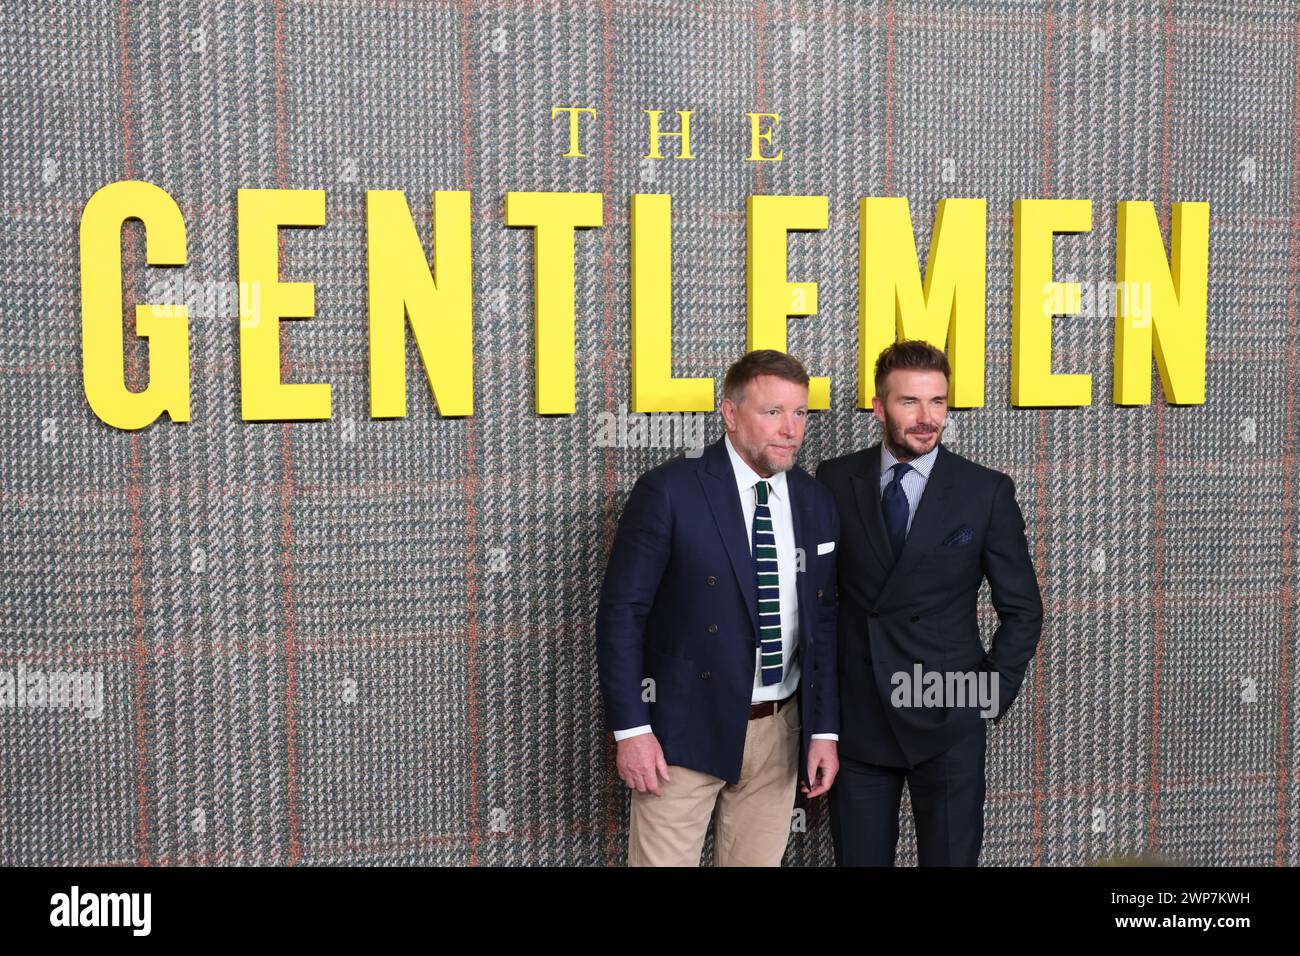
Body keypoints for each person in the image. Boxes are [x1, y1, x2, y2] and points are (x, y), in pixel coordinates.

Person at [596, 349, 840, 866]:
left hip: (780, 731)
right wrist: (632, 731)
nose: (790, 429)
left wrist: (823, 730)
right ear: (730, 415)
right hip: (682, 731)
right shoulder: (669, 491)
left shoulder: (815, 500)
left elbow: (824, 622)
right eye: (772, 412)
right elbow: (622, 614)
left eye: (799, 413)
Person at [815, 340, 1043, 866]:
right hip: (860, 721)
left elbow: (1023, 609)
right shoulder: (833, 479)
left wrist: (984, 697)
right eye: (909, 402)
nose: (926, 418)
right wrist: (823, 717)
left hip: (947, 719)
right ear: (878, 406)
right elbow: (819, 602)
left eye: (937, 402)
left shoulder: (984, 491)